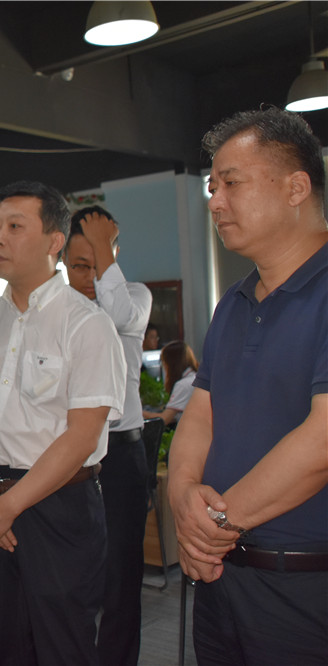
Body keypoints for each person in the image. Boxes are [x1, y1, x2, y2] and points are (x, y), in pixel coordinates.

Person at [168, 107, 327, 665]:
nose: (215, 202)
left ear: (296, 188)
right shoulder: (233, 304)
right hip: (223, 577)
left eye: (231, 183)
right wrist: (183, 496)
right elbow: (200, 416)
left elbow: (323, 440)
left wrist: (212, 524)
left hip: (306, 584)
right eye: (212, 188)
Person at [0, 181, 125, 666]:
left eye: (15, 227)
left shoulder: (86, 323)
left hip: (59, 507)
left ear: (55, 241)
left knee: (63, 647)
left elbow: (82, 436)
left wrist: (9, 507)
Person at [64, 205, 153, 666]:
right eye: (80, 266)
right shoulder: (55, 311)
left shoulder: (134, 296)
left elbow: (116, 315)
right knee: (71, 579)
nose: (89, 277)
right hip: (68, 458)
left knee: (120, 582)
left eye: (98, 264)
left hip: (120, 458)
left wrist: (102, 248)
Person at [142, 340, 198, 426]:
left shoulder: (183, 385)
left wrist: (139, 412)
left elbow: (164, 419)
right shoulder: (194, 378)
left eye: (163, 362)